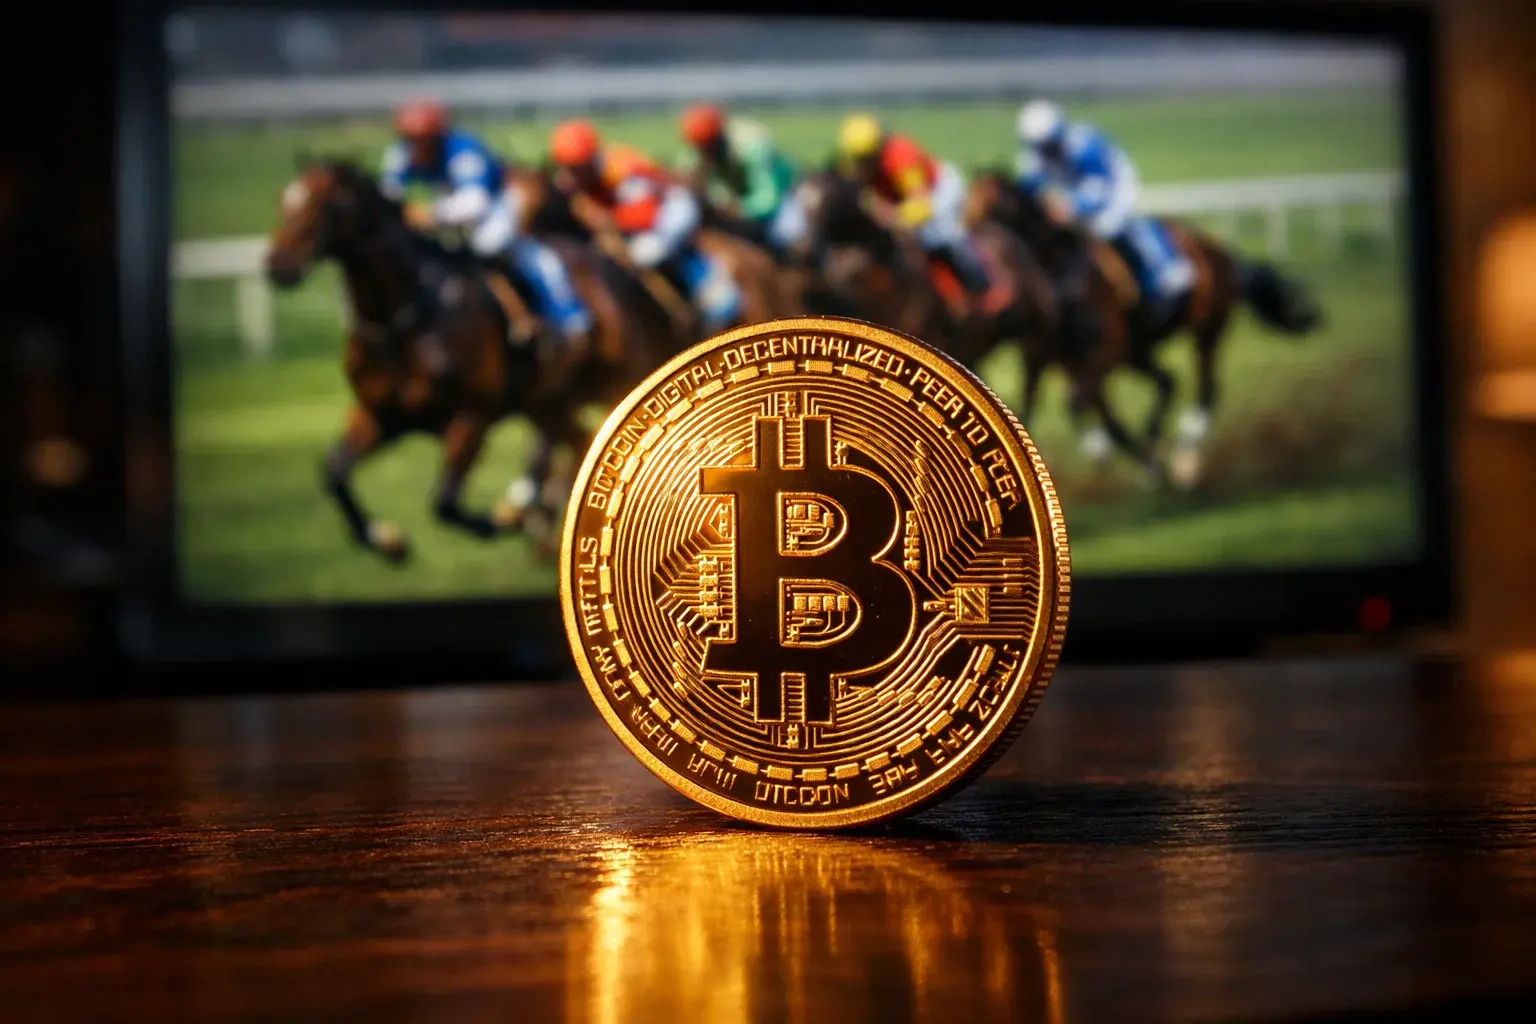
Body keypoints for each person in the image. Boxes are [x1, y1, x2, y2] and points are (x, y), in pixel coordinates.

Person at [380, 98, 594, 355]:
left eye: (422, 138)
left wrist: (428, 214)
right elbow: (387, 198)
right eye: (410, 138)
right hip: (449, 213)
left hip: (498, 203)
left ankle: (568, 318)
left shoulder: (464, 151)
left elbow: (475, 203)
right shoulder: (399, 155)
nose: (416, 145)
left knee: (490, 243)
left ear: (436, 135)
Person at [547, 118, 742, 336]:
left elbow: (645, 215)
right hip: (634, 214)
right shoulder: (572, 175)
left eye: (576, 169)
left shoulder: (620, 168)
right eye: (566, 168)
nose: (570, 176)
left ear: (590, 160)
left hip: (670, 209)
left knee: (646, 253)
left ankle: (714, 294)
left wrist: (606, 219)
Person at [1014, 98, 1194, 325]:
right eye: (1039, 147)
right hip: (1074, 192)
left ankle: (1164, 272)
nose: (1044, 152)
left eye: (1048, 146)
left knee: (1109, 226)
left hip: (1115, 188)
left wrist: (1071, 206)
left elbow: (1098, 189)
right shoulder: (1033, 155)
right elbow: (1028, 188)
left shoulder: (1084, 146)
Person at [834, 113, 1004, 312]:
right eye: (857, 161)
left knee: (941, 236)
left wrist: (892, 217)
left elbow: (920, 206)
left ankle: (981, 284)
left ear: (877, 151)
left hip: (938, 191)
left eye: (865, 161)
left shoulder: (901, 158)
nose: (860, 167)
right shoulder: (852, 163)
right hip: (900, 198)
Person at [675, 103, 807, 262]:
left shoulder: (752, 145)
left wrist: (738, 209)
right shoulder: (699, 151)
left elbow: (767, 197)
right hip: (740, 197)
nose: (705, 153)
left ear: (718, 137)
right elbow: (689, 178)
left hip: (780, 192)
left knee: (787, 234)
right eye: (700, 148)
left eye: (708, 146)